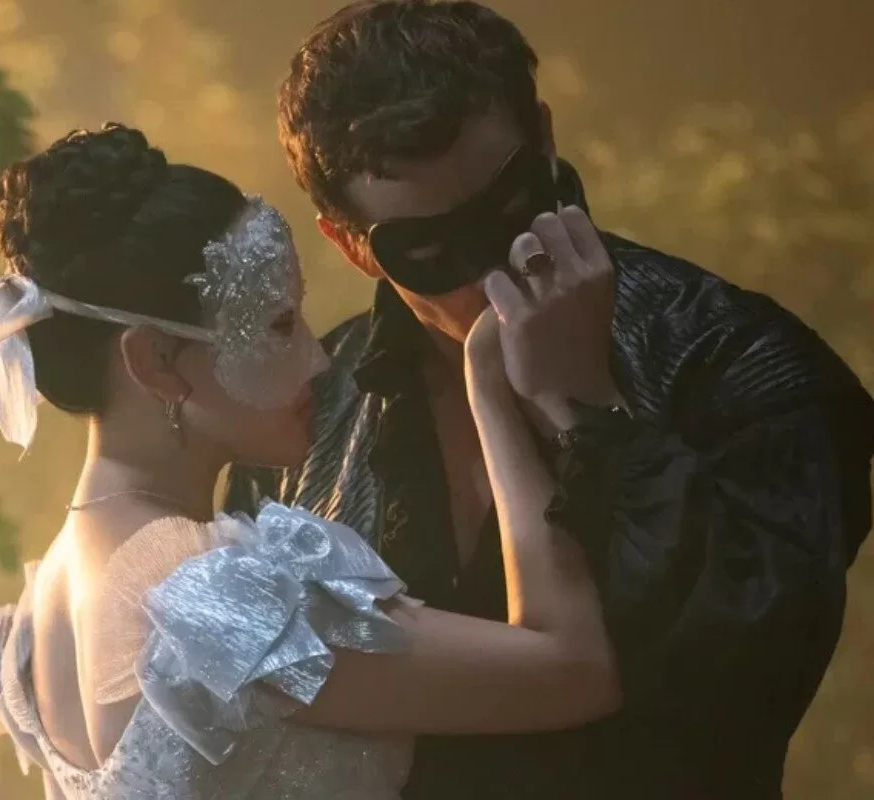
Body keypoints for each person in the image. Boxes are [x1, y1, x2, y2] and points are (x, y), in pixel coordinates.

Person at [225, 2, 874, 799]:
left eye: (509, 207)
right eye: (429, 248)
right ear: (349, 242)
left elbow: (754, 668)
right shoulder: (299, 417)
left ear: (546, 138)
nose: (491, 269)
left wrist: (587, 413)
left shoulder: (738, 361)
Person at [0, 123, 622, 799]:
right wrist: (489, 380)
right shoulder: (213, 595)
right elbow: (573, 670)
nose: (318, 359)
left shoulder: (45, 612)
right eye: (279, 325)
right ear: (155, 361)